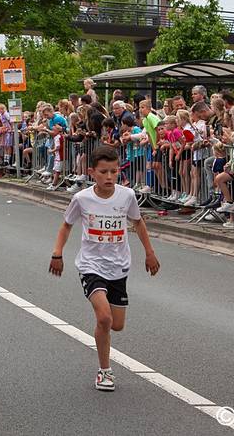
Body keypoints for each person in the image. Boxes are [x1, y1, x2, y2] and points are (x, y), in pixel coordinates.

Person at [48, 146, 160, 391]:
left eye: (114, 171)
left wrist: (149, 253)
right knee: (104, 317)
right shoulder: (82, 198)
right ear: (92, 172)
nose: (109, 177)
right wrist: (57, 253)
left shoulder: (127, 196)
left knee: (116, 324)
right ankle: (105, 371)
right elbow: (66, 225)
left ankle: (103, 330)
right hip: (91, 265)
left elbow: (138, 223)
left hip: (119, 266)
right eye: (103, 172)